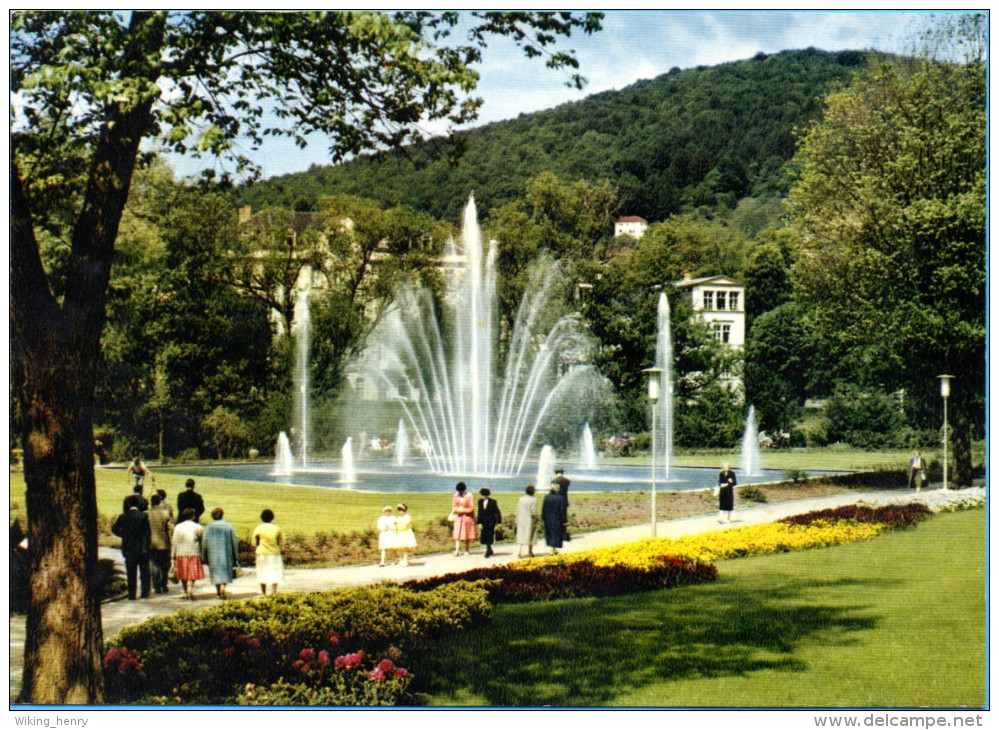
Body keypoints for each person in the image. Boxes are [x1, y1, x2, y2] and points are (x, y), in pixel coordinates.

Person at [111, 494, 151, 600]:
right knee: (144, 571)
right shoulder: (143, 516)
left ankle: (132, 594)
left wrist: (123, 535)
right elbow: (147, 533)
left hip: (128, 547)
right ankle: (144, 592)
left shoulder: (123, 516)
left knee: (131, 572)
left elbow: (114, 529)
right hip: (141, 547)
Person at [202, 507, 239, 600]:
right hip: (226, 552)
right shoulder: (228, 526)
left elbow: (204, 541)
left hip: (213, 552)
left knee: (215, 572)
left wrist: (203, 554)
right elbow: (234, 541)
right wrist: (236, 554)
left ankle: (218, 590)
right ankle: (223, 586)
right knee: (225, 571)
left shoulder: (208, 527)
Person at [171, 508, 205, 599]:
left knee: (183, 573)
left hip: (181, 552)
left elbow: (174, 541)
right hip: (193, 552)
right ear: (193, 516)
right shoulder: (198, 527)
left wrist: (172, 555)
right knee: (192, 573)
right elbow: (202, 540)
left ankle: (185, 591)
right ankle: (190, 588)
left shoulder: (178, 527)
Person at [253, 509, 284, 595]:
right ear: (272, 518)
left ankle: (264, 592)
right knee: (274, 571)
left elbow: (254, 542)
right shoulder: (276, 528)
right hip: (274, 553)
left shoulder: (258, 528)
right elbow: (280, 542)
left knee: (262, 572)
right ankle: (274, 591)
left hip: (262, 552)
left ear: (261, 518)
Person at [146, 493, 173, 594]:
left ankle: (156, 585)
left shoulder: (147, 513)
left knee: (153, 565)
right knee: (164, 564)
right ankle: (164, 584)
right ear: (159, 502)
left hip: (151, 542)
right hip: (163, 542)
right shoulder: (165, 513)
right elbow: (170, 528)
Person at [541, 482, 568, 555]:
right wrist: (564, 520)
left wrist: (542, 517)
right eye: (558, 488)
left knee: (549, 533)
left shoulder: (547, 497)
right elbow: (562, 509)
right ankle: (554, 548)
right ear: (555, 489)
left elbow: (543, 508)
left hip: (548, 518)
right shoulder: (560, 497)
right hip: (557, 518)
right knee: (556, 533)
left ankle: (552, 548)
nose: (559, 489)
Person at [451, 482, 476, 556]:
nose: (460, 492)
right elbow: (453, 505)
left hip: (467, 517)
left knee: (467, 534)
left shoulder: (469, 495)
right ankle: (457, 551)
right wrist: (456, 510)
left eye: (461, 491)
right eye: (459, 491)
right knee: (457, 534)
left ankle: (467, 550)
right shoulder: (455, 495)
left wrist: (463, 510)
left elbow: (472, 508)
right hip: (458, 517)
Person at [476, 487, 502, 558]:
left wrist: (499, 522)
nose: (483, 496)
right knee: (484, 536)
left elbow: (497, 512)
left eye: (484, 495)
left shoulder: (493, 502)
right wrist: (479, 523)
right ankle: (489, 549)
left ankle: (487, 551)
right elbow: (479, 512)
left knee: (489, 536)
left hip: (491, 522)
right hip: (483, 522)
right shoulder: (480, 501)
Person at [516, 485, 538, 558]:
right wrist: (537, 518)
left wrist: (516, 520)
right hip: (530, 520)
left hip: (521, 519)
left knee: (521, 535)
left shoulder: (521, 499)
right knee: (531, 536)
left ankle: (519, 551)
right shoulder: (533, 500)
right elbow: (534, 511)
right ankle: (530, 551)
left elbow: (518, 509)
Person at [551, 467, 571, 541]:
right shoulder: (567, 481)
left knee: (557, 517)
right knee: (564, 518)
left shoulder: (553, 481)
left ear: (555, 472)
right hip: (564, 501)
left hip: (556, 501)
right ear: (562, 472)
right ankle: (565, 534)